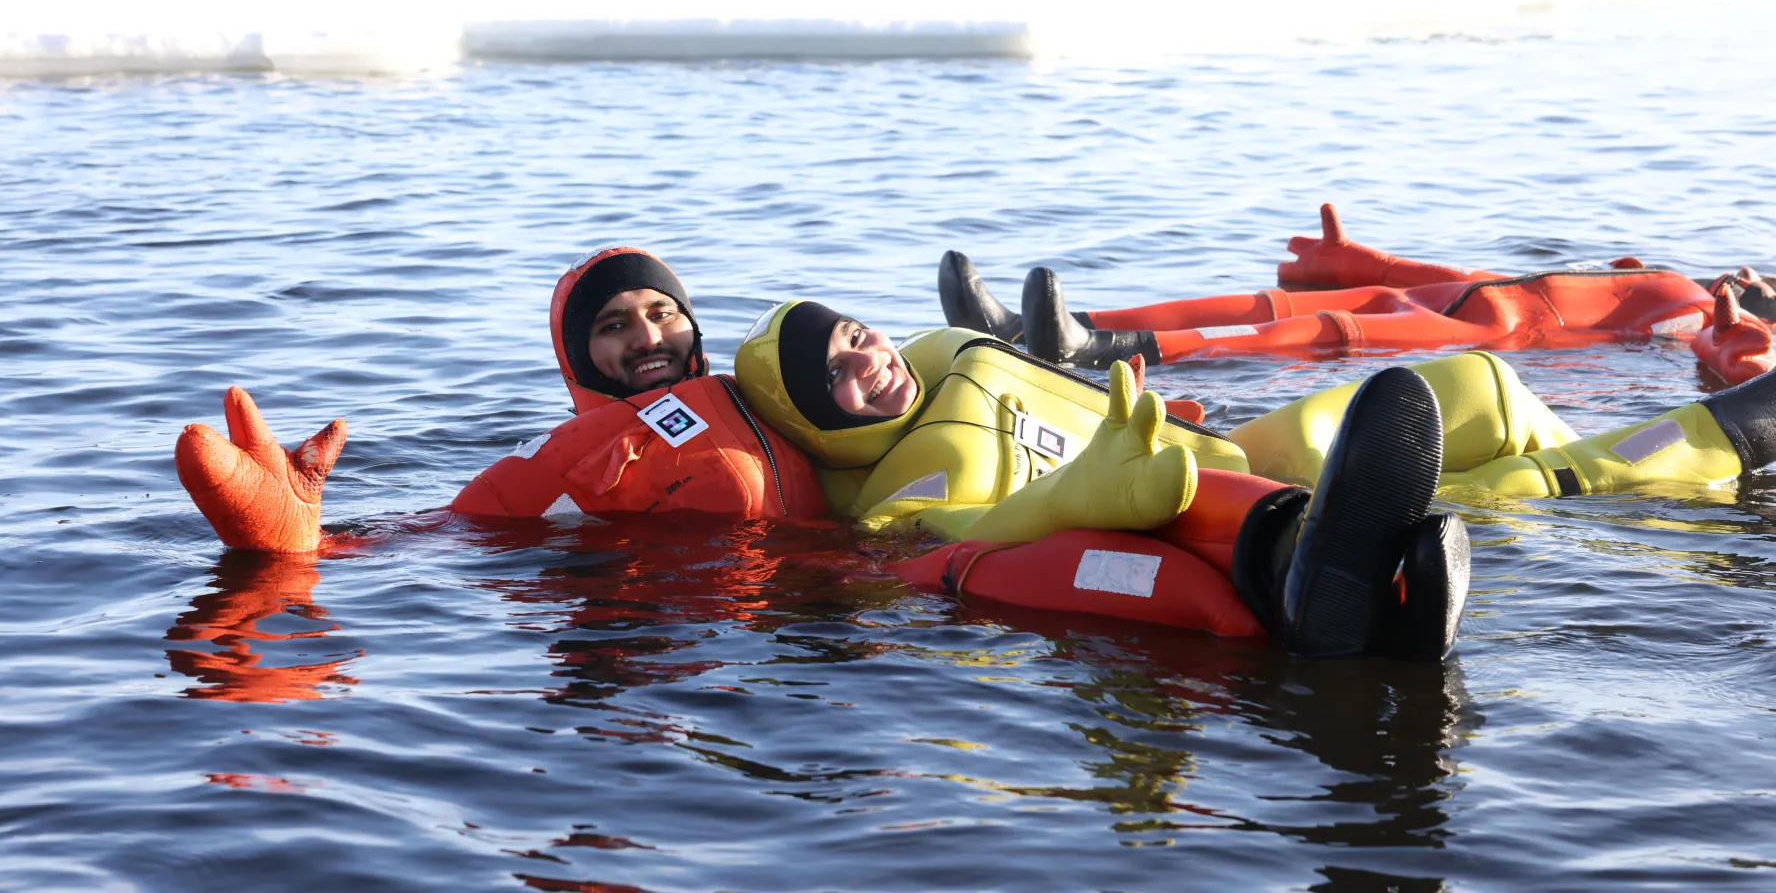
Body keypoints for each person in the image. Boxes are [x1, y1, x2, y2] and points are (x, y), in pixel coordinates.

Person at [731, 299, 1776, 657]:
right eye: (833, 377)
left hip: (1230, 450)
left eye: (857, 338)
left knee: (1474, 383)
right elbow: (961, 531)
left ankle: (1664, 484)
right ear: (811, 420)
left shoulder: (945, 351)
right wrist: (1076, 496)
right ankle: (1717, 446)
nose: (866, 363)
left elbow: (1051, 383)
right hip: (1189, 502)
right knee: (1512, 490)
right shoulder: (894, 488)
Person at [177, 247, 827, 554]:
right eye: (614, 325)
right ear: (576, 356)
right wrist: (296, 543)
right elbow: (443, 534)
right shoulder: (558, 466)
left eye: (662, 313)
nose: (649, 337)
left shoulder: (771, 396)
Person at [939, 204, 1776, 385]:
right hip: (1447, 296)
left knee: (1314, 334)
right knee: (1259, 305)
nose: (1753, 278)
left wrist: (1731, 341)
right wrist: (1364, 259)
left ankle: (1091, 354)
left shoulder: (1702, 312)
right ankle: (1046, 326)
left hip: (1489, 336)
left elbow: (1726, 367)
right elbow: (1494, 277)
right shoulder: (1668, 273)